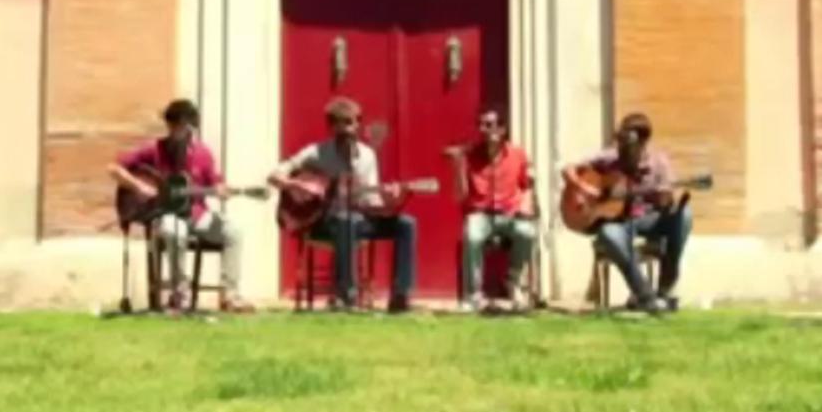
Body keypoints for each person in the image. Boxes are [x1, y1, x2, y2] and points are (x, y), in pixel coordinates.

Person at [268, 97, 416, 313]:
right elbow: (274, 175)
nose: (348, 129)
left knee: (405, 223)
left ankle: (401, 295)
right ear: (331, 127)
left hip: (358, 220)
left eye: (352, 123)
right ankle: (345, 295)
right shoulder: (316, 152)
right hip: (323, 222)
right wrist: (299, 184)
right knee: (347, 219)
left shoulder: (367, 156)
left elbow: (371, 202)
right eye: (341, 123)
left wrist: (393, 200)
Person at [109, 99, 253, 313]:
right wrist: (140, 187)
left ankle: (230, 295)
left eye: (181, 126)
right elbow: (114, 168)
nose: (176, 130)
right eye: (173, 125)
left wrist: (222, 191)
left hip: (197, 213)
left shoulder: (203, 153)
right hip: (164, 213)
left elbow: (216, 183)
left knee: (233, 231)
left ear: (191, 127)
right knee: (175, 230)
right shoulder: (154, 150)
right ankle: (179, 294)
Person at [562, 112, 692, 314]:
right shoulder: (611, 157)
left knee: (684, 215)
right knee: (608, 234)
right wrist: (585, 189)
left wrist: (665, 199)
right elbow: (568, 169)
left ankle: (666, 286)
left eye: (627, 142)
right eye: (621, 140)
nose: (622, 147)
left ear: (643, 142)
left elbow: (666, 201)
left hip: (649, 219)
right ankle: (644, 295)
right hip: (620, 222)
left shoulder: (659, 163)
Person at [445, 104, 536, 312]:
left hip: (510, 212)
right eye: (481, 125)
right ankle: (473, 295)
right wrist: (458, 167)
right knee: (472, 235)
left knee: (527, 232)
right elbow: (460, 196)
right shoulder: (471, 156)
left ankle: (513, 281)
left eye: (489, 125)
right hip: (482, 213)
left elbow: (527, 186)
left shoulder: (517, 154)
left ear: (502, 129)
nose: (484, 130)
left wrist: (525, 206)